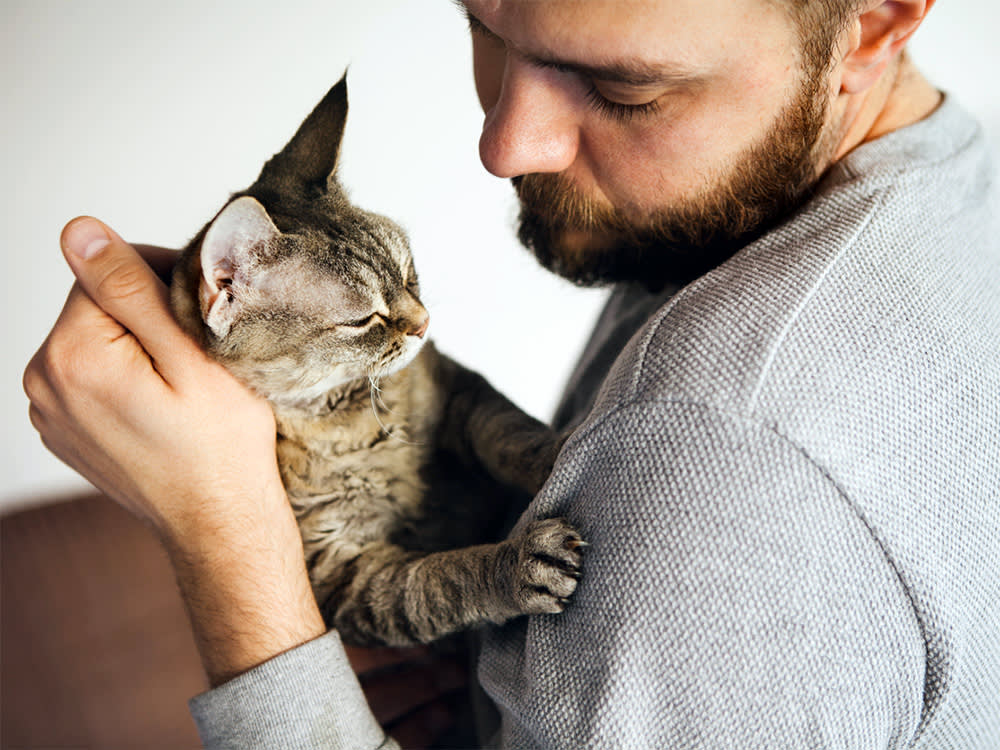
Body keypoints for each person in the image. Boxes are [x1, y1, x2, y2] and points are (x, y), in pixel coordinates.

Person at [23, 0, 1000, 746]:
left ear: (875, 20)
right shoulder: (951, 191)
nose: (503, 146)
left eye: (625, 89)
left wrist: (221, 534)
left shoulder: (727, 456)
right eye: (484, 23)